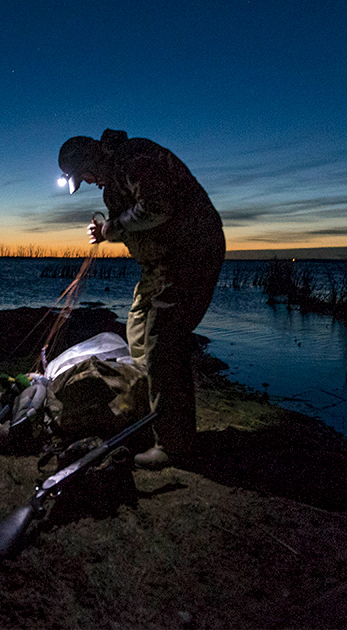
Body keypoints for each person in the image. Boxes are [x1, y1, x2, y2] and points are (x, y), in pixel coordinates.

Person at [58, 129, 225, 469]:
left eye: (84, 175)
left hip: (189, 256)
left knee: (163, 343)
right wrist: (106, 231)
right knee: (137, 331)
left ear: (91, 159)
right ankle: (150, 417)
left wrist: (111, 228)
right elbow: (137, 224)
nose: (88, 182)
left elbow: (157, 207)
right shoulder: (115, 179)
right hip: (159, 265)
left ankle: (174, 446)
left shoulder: (134, 157)